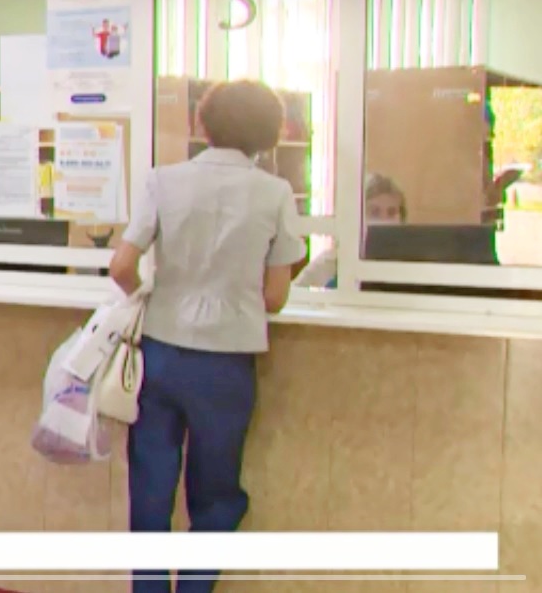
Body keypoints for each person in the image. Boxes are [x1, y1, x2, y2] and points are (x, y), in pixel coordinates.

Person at [108, 79, 305, 593]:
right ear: (270, 134)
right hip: (226, 362)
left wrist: (148, 298)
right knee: (217, 496)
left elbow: (122, 266)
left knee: (150, 489)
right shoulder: (275, 193)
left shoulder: (162, 181)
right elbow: (275, 297)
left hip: (160, 352)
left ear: (201, 122)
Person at [294, 173, 407, 289]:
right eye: (374, 212)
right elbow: (292, 297)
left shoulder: (409, 267)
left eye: (392, 213)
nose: (384, 220)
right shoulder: (330, 264)